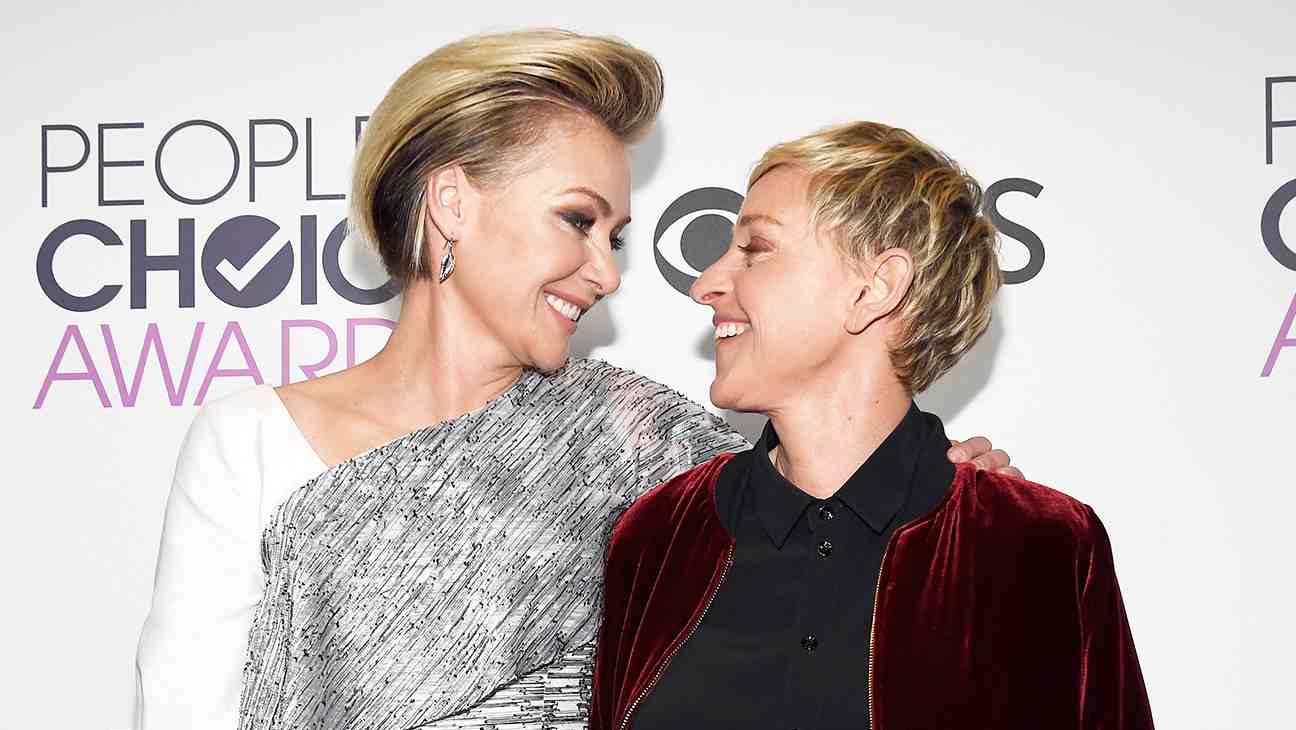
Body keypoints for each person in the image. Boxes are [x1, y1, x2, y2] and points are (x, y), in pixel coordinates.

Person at [134, 32, 1019, 730]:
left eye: (617, 237)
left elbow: (832, 513)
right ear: (452, 203)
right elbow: (182, 712)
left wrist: (947, 491)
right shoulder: (252, 441)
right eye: (577, 220)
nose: (607, 271)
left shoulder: (642, 442)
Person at [591, 121, 1154, 730]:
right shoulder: (659, 535)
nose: (706, 285)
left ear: (875, 289)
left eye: (756, 249)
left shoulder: (1038, 544)